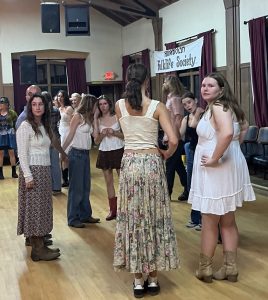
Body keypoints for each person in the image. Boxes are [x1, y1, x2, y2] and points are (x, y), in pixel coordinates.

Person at [113, 64, 179, 298]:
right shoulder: (157, 106)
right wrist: (167, 154)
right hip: (151, 164)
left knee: (134, 220)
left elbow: (126, 131)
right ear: (146, 82)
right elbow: (173, 139)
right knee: (153, 218)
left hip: (130, 164)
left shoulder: (119, 105)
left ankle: (138, 281)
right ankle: (153, 279)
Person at [188, 72, 256, 283]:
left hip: (216, 169)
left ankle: (205, 268)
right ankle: (230, 268)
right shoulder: (228, 107)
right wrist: (229, 151)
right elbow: (238, 132)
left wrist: (216, 158)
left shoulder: (218, 107)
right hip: (226, 167)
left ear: (221, 90)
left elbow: (226, 134)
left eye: (210, 85)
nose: (205, 88)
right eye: (203, 85)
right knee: (227, 220)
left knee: (210, 221)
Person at [16, 94, 68, 261]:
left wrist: (63, 155)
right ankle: (37, 250)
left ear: (45, 107)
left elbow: (50, 145)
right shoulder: (25, 126)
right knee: (34, 210)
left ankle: (41, 243)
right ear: (30, 107)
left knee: (43, 208)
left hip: (44, 171)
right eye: (34, 104)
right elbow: (22, 154)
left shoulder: (43, 125)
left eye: (40, 104)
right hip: (32, 172)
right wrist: (28, 176)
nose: (37, 107)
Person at [62, 94, 100, 228]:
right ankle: (73, 218)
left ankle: (85, 215)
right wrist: (62, 152)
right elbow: (70, 134)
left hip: (85, 154)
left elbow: (96, 136)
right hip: (76, 153)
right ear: (90, 104)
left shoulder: (89, 118)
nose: (98, 107)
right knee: (76, 188)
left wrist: (95, 118)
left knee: (85, 187)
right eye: (96, 105)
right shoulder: (77, 116)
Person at [93, 95, 124, 221]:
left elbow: (125, 135)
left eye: (105, 103)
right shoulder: (98, 119)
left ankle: (125, 208)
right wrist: (102, 134)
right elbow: (96, 141)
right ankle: (113, 210)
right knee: (108, 182)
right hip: (105, 151)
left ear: (109, 104)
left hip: (119, 149)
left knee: (123, 180)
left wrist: (114, 132)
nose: (103, 106)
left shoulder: (117, 116)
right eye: (100, 104)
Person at [180, 92, 204, 229]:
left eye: (189, 102)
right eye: (184, 104)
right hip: (192, 151)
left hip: (203, 153)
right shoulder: (186, 118)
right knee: (192, 185)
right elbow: (179, 134)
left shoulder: (203, 113)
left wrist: (197, 113)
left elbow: (195, 125)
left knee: (201, 186)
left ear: (195, 100)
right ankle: (195, 218)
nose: (187, 106)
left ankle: (203, 220)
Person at [162, 75, 188, 200]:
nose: (163, 83)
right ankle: (188, 188)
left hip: (175, 136)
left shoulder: (175, 99)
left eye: (165, 81)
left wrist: (174, 137)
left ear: (170, 83)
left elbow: (178, 118)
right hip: (171, 135)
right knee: (177, 165)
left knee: (170, 165)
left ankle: (167, 193)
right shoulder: (170, 98)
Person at [42, 91, 62, 195]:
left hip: (45, 140)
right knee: (55, 164)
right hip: (56, 139)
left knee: (46, 165)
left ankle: (48, 187)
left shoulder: (41, 113)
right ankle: (57, 187)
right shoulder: (56, 111)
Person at [58, 90, 73, 187]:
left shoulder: (69, 108)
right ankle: (65, 179)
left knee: (67, 157)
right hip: (62, 133)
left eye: (62, 96)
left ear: (65, 97)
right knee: (62, 157)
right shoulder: (59, 108)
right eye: (58, 96)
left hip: (68, 133)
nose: (60, 98)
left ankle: (69, 178)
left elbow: (73, 122)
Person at [0, 97, 18, 179]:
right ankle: (0, 173)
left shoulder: (12, 113)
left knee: (11, 153)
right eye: (0, 103)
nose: (1, 104)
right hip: (0, 135)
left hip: (10, 135)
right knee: (1, 154)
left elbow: (16, 123)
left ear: (7, 104)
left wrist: (15, 130)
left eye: (3, 103)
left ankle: (14, 172)